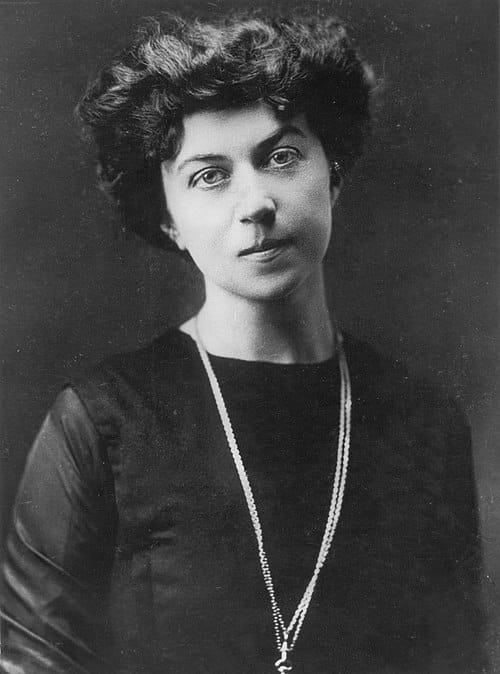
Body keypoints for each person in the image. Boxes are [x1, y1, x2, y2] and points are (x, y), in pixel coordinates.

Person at [0, 11, 485, 674]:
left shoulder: (425, 421)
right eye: (209, 175)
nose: (255, 202)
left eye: (281, 157)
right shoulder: (100, 421)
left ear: (333, 172)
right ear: (168, 218)